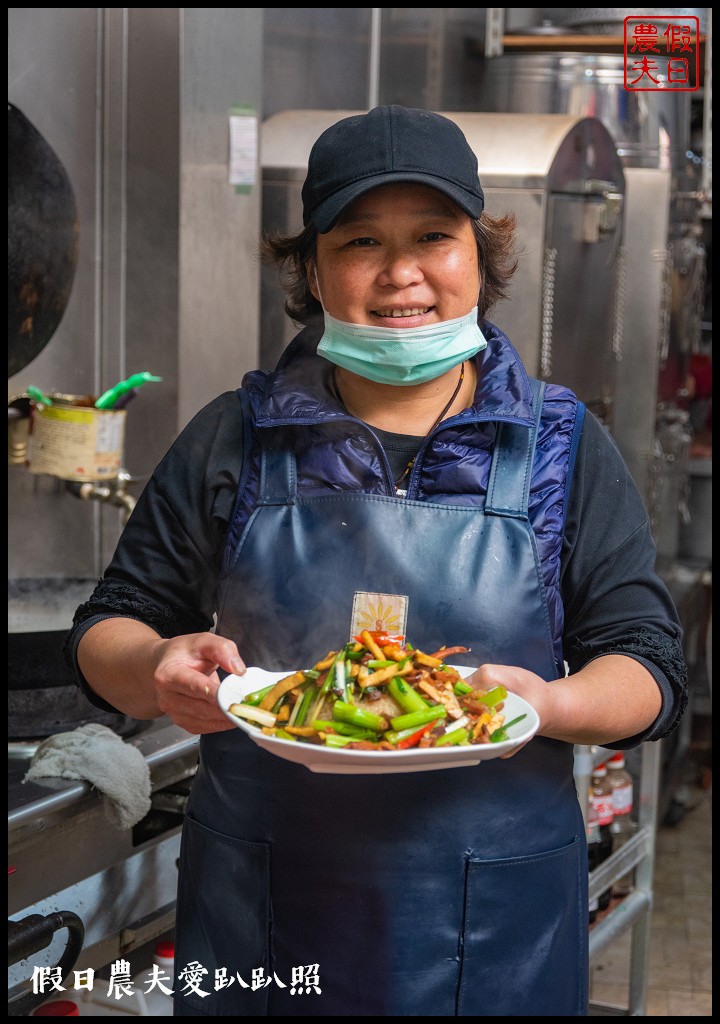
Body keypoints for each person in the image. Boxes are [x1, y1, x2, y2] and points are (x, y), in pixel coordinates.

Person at [65, 105, 688, 1017]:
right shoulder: (236, 436)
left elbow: (650, 666)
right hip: (265, 920)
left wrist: (549, 705)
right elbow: (107, 628)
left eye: (435, 235)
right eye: (362, 241)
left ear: (481, 254)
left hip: (498, 930)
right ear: (313, 269)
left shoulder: (561, 445)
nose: (402, 273)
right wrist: (155, 666)